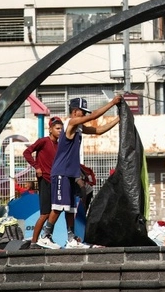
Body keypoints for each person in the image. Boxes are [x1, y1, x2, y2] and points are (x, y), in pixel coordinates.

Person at [37, 95, 121, 249]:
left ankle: (71, 239)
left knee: (70, 208)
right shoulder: (70, 122)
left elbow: (99, 130)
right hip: (61, 172)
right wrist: (112, 103)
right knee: (58, 207)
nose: (84, 114)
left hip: (70, 173)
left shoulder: (79, 128)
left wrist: (118, 120)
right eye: (83, 112)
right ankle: (45, 235)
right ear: (75, 111)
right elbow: (95, 115)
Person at [22, 115, 62, 245]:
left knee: (54, 212)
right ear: (50, 129)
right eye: (57, 128)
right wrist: (37, 167)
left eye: (61, 128)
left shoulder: (60, 145)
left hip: (56, 181)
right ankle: (34, 242)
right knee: (44, 213)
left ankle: (47, 238)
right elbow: (27, 152)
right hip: (45, 179)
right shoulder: (43, 141)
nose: (60, 131)